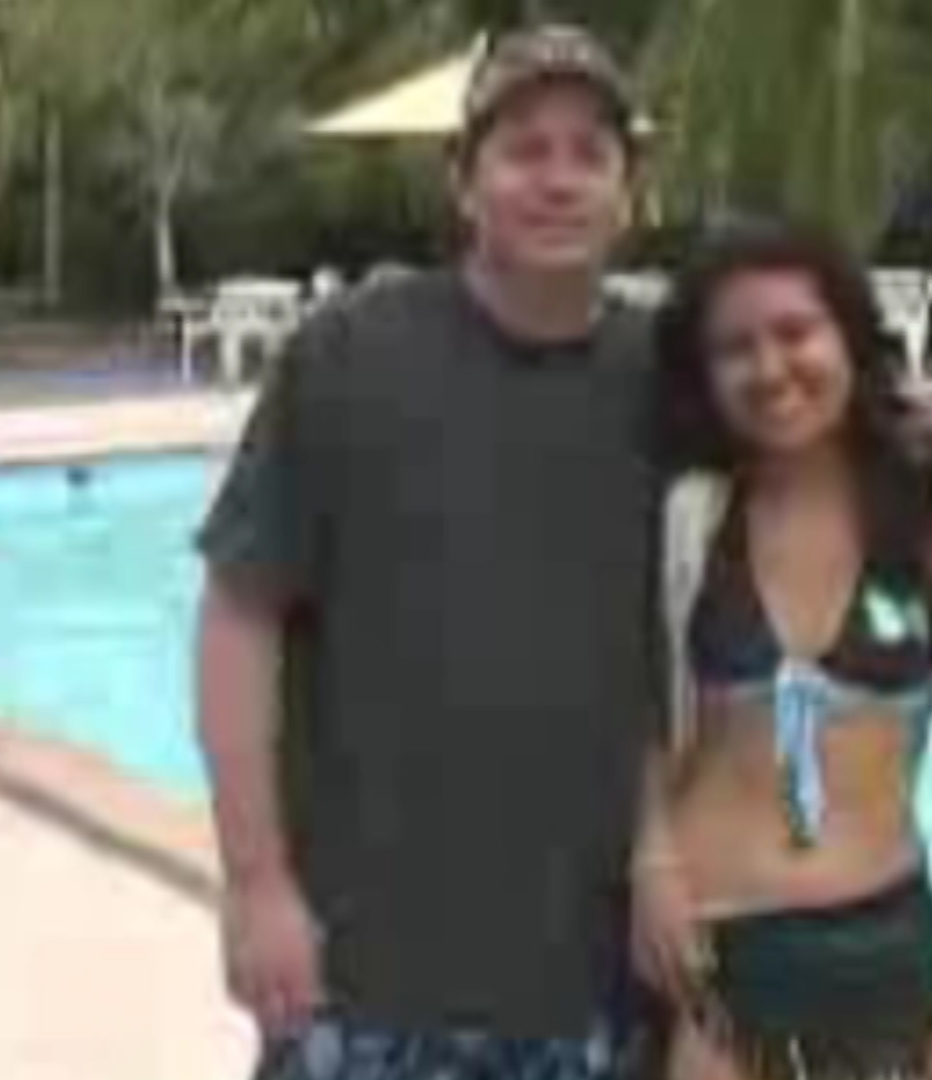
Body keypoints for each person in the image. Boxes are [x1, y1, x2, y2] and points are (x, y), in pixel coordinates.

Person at [192, 24, 665, 1080]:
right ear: (463, 180)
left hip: (592, 980)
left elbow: (808, 453)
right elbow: (238, 616)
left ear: (628, 193)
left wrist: (926, 456)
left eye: (589, 154)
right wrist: (256, 884)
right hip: (366, 976)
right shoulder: (349, 356)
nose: (558, 180)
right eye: (524, 150)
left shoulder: (665, 378)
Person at [632, 219, 932, 1080]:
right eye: (735, 348)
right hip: (709, 955)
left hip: (884, 956)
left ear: (847, 334)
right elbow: (626, 708)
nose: (771, 368)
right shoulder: (687, 510)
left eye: (795, 332)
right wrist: (649, 858)